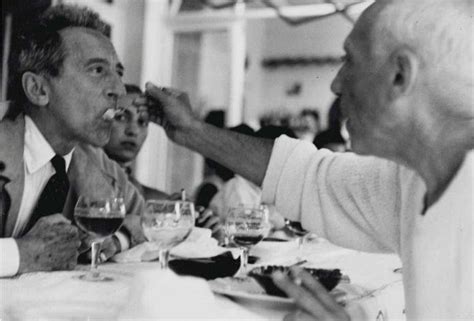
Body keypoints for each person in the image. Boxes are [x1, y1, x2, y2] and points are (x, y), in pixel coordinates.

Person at [141, 0, 473, 319]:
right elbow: (308, 177)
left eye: (350, 60)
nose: (336, 83)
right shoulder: (413, 179)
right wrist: (193, 130)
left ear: (400, 75)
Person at [0, 5, 146, 277]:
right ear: (38, 89)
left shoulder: (94, 160)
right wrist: (20, 255)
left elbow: (150, 221)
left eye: (118, 73)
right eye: (97, 70)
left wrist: (117, 240)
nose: (120, 90)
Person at [103, 84, 223, 240]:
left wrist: (200, 228)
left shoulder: (142, 193)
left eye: (142, 122)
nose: (133, 130)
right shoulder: (81, 176)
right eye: (121, 117)